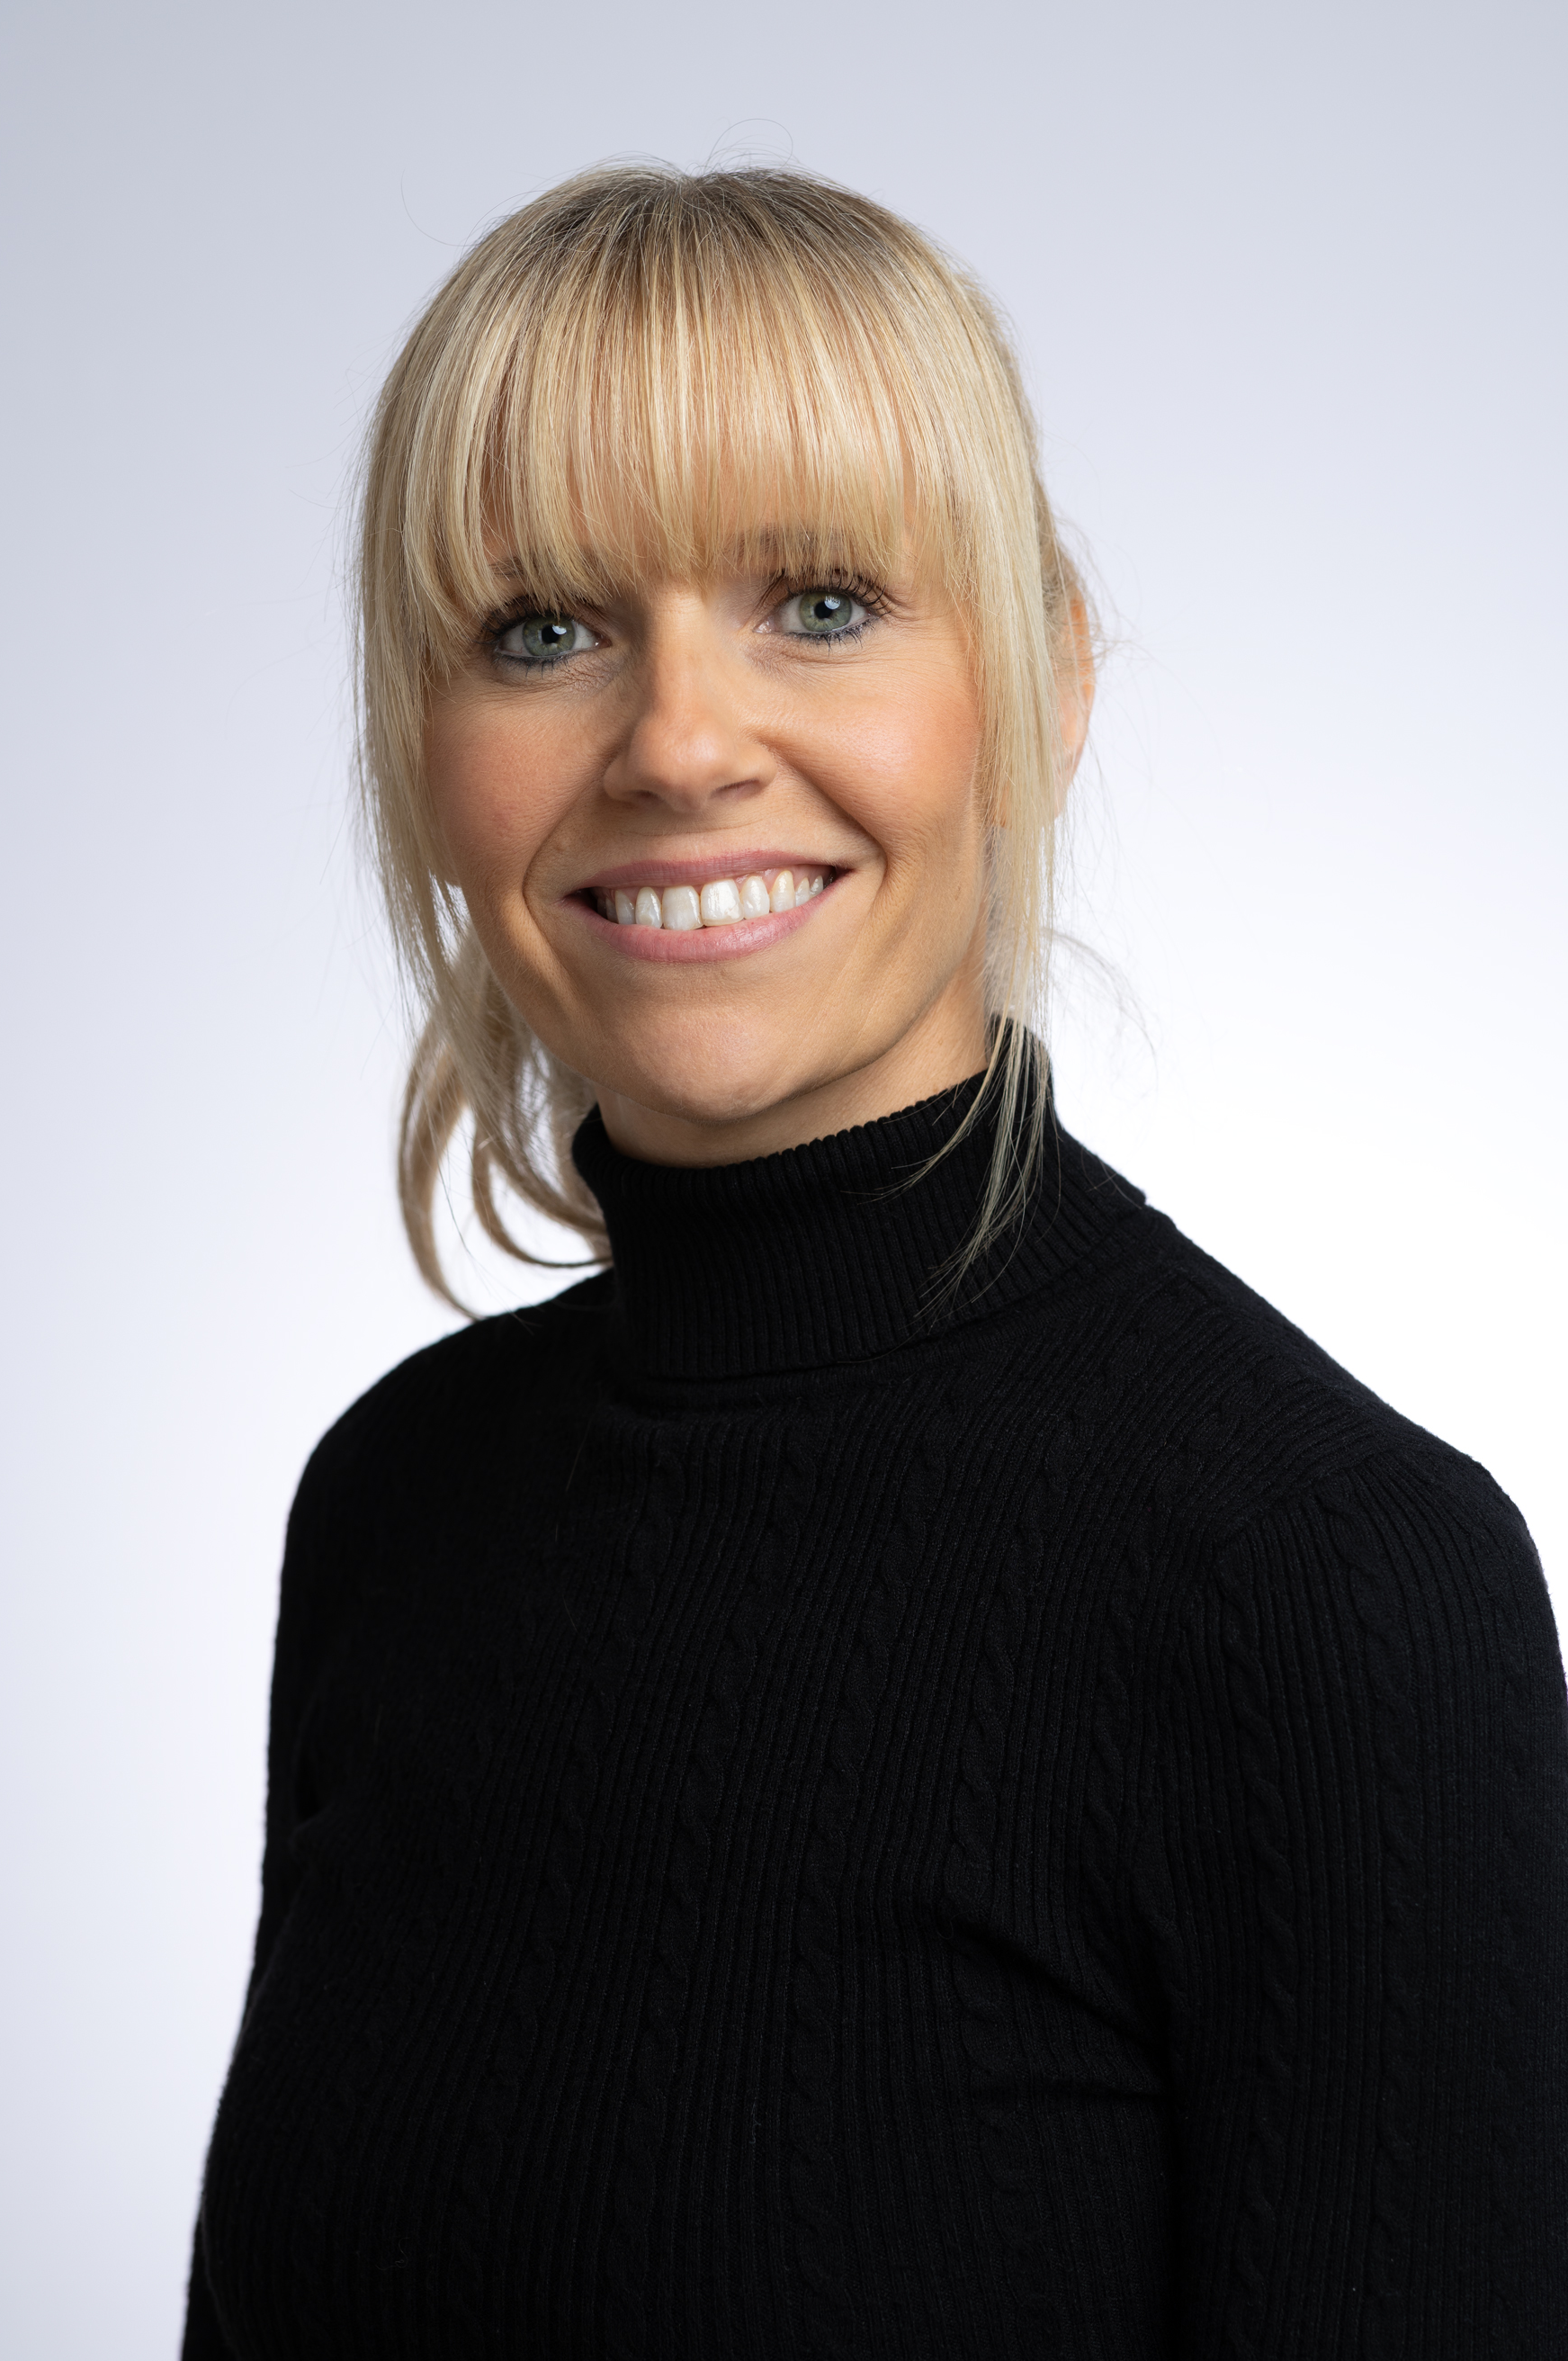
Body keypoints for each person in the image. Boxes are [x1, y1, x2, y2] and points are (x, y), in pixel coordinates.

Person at [183, 165, 1567, 2358]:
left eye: (818, 603)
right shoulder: (392, 1502)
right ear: (423, 750)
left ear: (1039, 680)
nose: (676, 743)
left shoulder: (1325, 1584)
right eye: (540, 630)